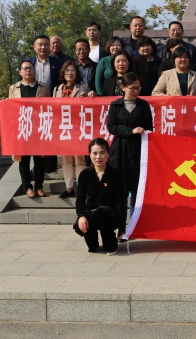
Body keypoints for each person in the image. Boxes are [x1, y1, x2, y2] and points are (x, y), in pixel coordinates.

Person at [107, 73, 154, 221]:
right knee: (121, 189)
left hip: (138, 149)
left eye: (138, 88)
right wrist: (130, 131)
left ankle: (134, 223)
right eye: (132, 88)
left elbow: (149, 126)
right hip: (120, 150)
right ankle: (120, 224)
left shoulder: (143, 105)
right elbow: (112, 127)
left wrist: (148, 132)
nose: (136, 91)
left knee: (136, 189)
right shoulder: (115, 105)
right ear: (123, 87)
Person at [73, 138, 125, 255]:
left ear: (108, 154)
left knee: (102, 212)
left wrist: (122, 227)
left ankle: (110, 244)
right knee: (78, 224)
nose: (98, 157)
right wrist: (81, 216)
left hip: (110, 214)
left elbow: (120, 201)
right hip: (92, 211)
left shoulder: (116, 174)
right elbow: (80, 199)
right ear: (89, 155)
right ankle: (93, 243)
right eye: (94, 153)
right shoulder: (85, 174)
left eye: (102, 153)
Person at [9, 60, 50, 198]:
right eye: (24, 68)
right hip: (22, 128)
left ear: (35, 71)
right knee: (24, 160)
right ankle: (27, 187)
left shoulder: (43, 87)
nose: (28, 70)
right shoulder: (14, 88)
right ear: (20, 72)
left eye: (30, 68)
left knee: (39, 159)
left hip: (39, 129)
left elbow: (49, 108)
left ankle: (39, 186)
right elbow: (10, 109)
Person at [53, 61, 91, 198]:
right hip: (63, 128)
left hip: (78, 127)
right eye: (67, 70)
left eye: (73, 70)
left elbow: (90, 107)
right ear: (63, 73)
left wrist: (92, 95)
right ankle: (69, 188)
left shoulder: (83, 87)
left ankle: (82, 188)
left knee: (80, 159)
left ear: (77, 73)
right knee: (66, 160)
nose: (70, 73)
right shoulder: (57, 89)